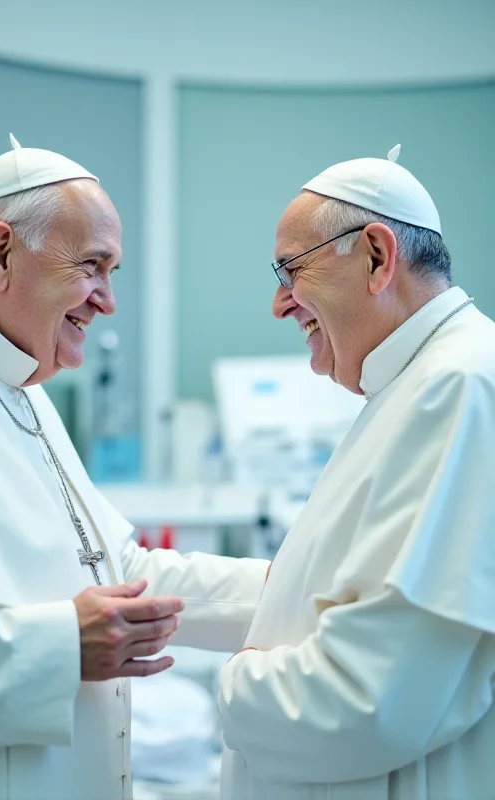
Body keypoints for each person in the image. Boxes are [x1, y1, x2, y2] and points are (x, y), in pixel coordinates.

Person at [0, 135, 269, 800]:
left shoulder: (17, 376)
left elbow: (120, 573)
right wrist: (58, 648)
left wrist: (298, 585)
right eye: (92, 265)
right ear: (0, 253)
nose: (107, 300)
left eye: (112, 271)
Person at [217, 145, 495, 800]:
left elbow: (368, 704)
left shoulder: (456, 388)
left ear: (376, 256)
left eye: (291, 270)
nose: (280, 305)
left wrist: (236, 687)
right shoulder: (414, 383)